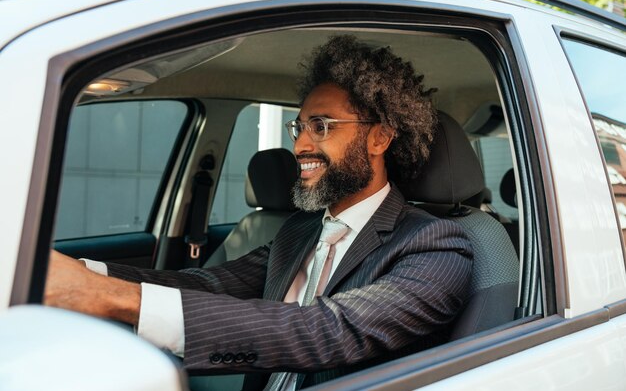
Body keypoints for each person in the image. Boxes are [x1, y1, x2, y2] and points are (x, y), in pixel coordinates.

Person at [45, 35, 472, 390]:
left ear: (380, 138)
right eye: (299, 126)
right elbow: (209, 284)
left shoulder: (434, 245)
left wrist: (108, 299)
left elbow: (326, 332)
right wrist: (81, 274)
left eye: (321, 126)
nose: (300, 145)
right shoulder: (301, 230)